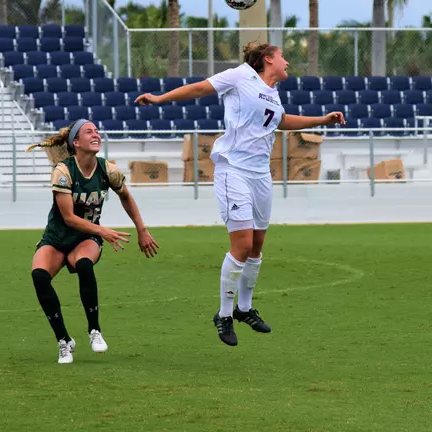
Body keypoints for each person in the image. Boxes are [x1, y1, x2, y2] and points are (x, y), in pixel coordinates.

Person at [135, 42, 346, 347]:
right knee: (243, 244)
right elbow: (198, 89)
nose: (287, 62)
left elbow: (282, 121)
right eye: (283, 56)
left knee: (257, 246)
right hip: (233, 169)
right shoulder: (240, 76)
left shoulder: (272, 92)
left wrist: (322, 120)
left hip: (261, 174)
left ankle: (244, 309)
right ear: (268, 59)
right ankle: (223, 314)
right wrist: (159, 98)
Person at [26, 119, 159, 364]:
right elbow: (68, 217)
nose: (96, 134)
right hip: (57, 237)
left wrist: (142, 230)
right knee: (39, 277)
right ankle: (63, 341)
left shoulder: (107, 169)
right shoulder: (63, 171)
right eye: (89, 131)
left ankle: (94, 331)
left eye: (97, 131)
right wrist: (104, 231)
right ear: (76, 142)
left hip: (86, 237)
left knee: (84, 264)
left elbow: (126, 197)